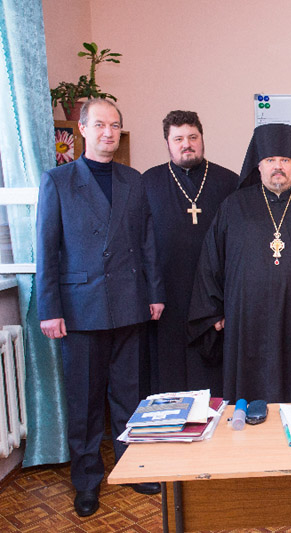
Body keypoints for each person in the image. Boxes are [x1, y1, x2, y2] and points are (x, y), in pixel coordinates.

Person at [36, 99, 165, 516]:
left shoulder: (133, 180)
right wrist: (49, 309)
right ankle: (87, 482)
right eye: (100, 125)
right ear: (82, 129)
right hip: (80, 309)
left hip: (129, 304)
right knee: (86, 403)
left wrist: (155, 293)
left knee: (130, 397)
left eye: (114, 125)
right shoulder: (57, 181)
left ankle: (132, 467)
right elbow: (46, 249)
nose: (108, 132)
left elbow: (147, 242)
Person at [187, 123, 291, 403]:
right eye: (270, 160)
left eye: (285, 160)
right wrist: (213, 312)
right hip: (248, 323)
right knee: (250, 399)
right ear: (259, 165)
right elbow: (210, 262)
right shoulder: (234, 207)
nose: (278, 167)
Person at [141, 110, 237, 397]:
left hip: (213, 295)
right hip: (166, 294)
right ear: (167, 143)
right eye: (178, 138)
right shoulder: (149, 182)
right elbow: (141, 242)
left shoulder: (228, 182)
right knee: (168, 373)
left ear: (202, 139)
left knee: (213, 376)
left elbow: (238, 246)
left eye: (193, 137)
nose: (187, 144)